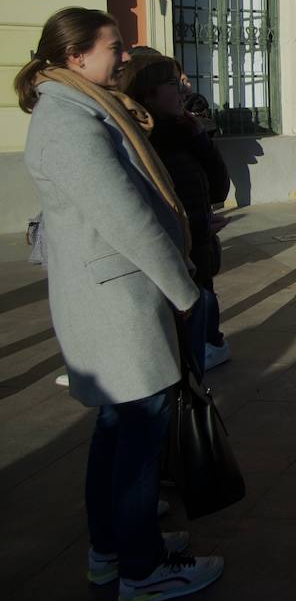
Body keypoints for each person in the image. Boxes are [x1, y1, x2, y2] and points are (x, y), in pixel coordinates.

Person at [17, 7, 223, 601]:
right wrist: (184, 290)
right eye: (115, 46)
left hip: (115, 297)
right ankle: (143, 570)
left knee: (118, 430)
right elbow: (125, 219)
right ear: (76, 55)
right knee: (137, 437)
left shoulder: (81, 108)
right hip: (118, 301)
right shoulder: (69, 120)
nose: (126, 55)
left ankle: (113, 547)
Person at [122, 53, 231, 374]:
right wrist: (194, 225)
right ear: (148, 93)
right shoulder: (141, 143)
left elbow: (218, 190)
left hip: (198, 254)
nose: (184, 90)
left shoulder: (185, 133)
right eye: (173, 83)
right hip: (172, 263)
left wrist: (200, 139)